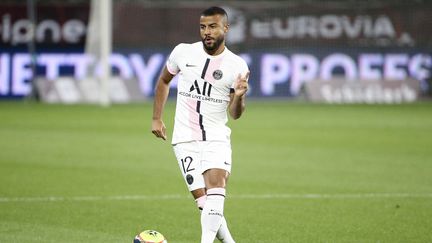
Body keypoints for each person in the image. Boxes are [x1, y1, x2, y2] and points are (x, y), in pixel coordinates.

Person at [151, 6, 249, 243]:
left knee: (217, 184)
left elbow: (235, 114)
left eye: (213, 26)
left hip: (216, 136)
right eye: (203, 27)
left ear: (226, 28)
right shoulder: (183, 52)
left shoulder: (238, 66)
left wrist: (239, 96)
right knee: (204, 202)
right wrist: (156, 117)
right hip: (184, 138)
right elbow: (164, 81)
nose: (207, 32)